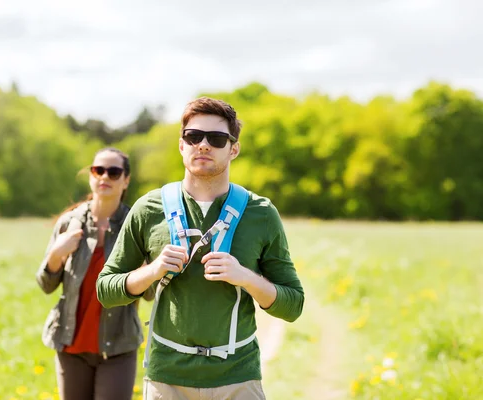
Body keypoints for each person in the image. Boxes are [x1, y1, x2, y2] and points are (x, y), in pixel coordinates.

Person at [96, 97, 305, 399]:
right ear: (182, 145)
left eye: (217, 139)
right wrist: (153, 271)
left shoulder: (261, 213)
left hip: (237, 378)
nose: (203, 145)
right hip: (166, 379)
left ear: (233, 149)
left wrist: (245, 276)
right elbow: (106, 290)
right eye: (193, 137)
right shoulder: (148, 209)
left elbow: (293, 305)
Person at [36, 147, 152, 400]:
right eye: (98, 170)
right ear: (90, 175)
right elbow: (45, 284)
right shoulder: (69, 223)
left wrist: (147, 270)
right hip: (71, 344)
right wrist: (56, 255)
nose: (104, 177)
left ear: (126, 180)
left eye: (113, 172)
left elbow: (149, 295)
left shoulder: (137, 226)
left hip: (119, 346)